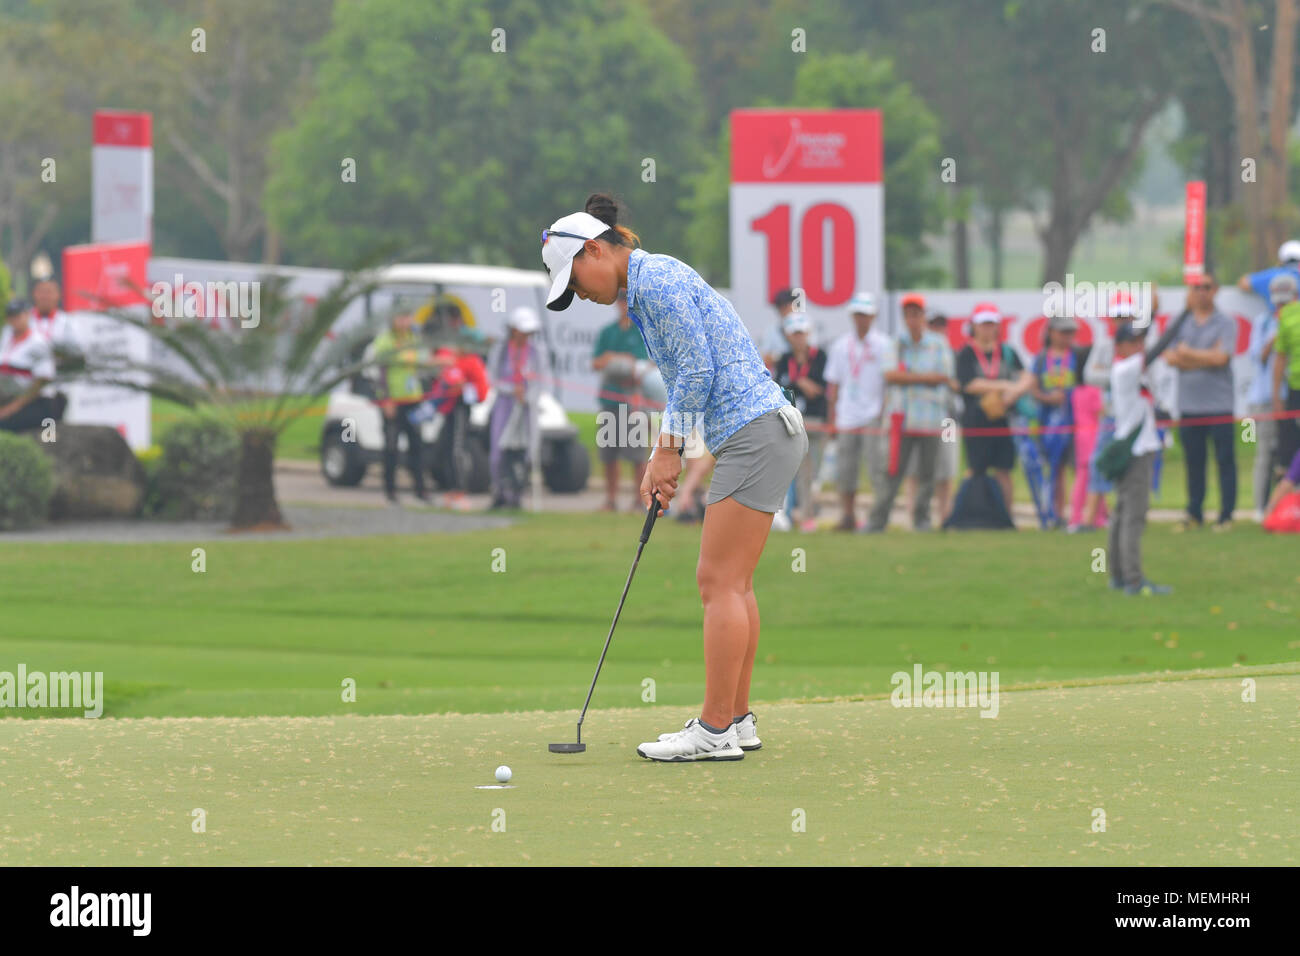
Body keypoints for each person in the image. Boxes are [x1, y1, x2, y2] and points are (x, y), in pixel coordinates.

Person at [543, 192, 806, 762]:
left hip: (754, 433)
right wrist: (669, 450)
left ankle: (712, 731)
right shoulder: (650, 281)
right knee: (734, 583)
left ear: (595, 249)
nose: (581, 293)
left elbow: (696, 371)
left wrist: (667, 452)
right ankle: (735, 720)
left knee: (716, 581)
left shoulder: (655, 284)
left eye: (576, 279)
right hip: (764, 430)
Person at [867, 292, 953, 532]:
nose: (913, 319)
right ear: (904, 317)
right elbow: (890, 375)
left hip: (931, 420)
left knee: (927, 474)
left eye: (916, 314)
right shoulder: (895, 343)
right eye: (908, 314)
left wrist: (908, 377)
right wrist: (926, 378)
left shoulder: (938, 343)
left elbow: (944, 376)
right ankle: (877, 521)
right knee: (892, 473)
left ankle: (922, 520)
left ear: (923, 316)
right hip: (901, 420)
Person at [1109, 322, 1179, 596]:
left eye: (1141, 341)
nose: (1140, 346)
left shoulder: (1127, 370)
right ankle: (1134, 580)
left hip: (1132, 447)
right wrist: (1184, 314)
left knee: (1121, 514)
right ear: (1120, 346)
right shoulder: (1126, 369)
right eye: (1133, 341)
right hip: (1136, 451)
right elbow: (1159, 349)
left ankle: (1117, 575)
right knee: (1133, 518)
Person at [1164, 273, 1237, 531]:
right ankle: (1194, 512)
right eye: (1197, 287)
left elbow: (1222, 358)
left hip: (1219, 403)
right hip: (1189, 404)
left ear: (1215, 290)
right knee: (1194, 462)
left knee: (1225, 460)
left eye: (1206, 287)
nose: (1201, 292)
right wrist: (1203, 357)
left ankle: (1226, 514)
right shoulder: (1179, 322)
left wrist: (1188, 354)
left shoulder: (1225, 322)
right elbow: (1170, 358)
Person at [823, 292, 893, 532]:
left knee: (877, 470)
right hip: (846, 416)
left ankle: (877, 518)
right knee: (846, 470)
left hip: (873, 416)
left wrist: (883, 413)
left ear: (873, 316)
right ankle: (848, 516)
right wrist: (833, 418)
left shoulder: (884, 344)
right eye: (858, 315)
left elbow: (889, 383)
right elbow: (833, 385)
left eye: (865, 315)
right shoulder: (841, 345)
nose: (861, 319)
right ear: (853, 316)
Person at [955, 303, 1034, 510]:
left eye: (991, 324)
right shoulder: (966, 353)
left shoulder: (1007, 352)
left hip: (1002, 419)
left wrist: (1014, 392)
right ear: (974, 326)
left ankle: (1006, 516)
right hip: (976, 419)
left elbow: (1027, 377)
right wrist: (1004, 385)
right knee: (975, 468)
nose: (987, 328)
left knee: (1003, 469)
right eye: (983, 324)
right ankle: (970, 512)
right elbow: (969, 384)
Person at [364, 310, 433, 506]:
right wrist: (385, 399)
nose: (404, 321)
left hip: (413, 399)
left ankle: (420, 489)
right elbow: (376, 371)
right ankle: (390, 491)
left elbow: (424, 363)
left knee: (417, 445)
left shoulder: (414, 339)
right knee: (392, 446)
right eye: (401, 316)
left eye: (407, 317)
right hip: (393, 401)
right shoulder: (384, 341)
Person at [592, 288, 651, 511]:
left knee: (637, 455)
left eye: (627, 301)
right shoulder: (607, 332)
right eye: (621, 300)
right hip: (610, 400)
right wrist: (617, 360)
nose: (624, 305)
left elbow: (644, 365)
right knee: (609, 454)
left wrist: (615, 360)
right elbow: (596, 363)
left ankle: (639, 499)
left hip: (634, 402)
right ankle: (611, 499)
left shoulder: (641, 332)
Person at [1029, 314, 1087, 526]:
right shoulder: (1042, 358)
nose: (1067, 337)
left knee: (1081, 467)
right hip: (1048, 422)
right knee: (1055, 468)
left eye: (1071, 332)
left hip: (1076, 420)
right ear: (1051, 333)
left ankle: (1085, 513)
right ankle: (1057, 514)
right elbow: (1033, 388)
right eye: (1063, 332)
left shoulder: (1079, 355)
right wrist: (1047, 398)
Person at [773, 312, 828, 531]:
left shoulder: (820, 356)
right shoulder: (785, 359)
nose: (799, 337)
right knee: (798, 470)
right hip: (793, 420)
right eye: (795, 333)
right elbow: (780, 389)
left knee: (815, 473)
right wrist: (802, 383)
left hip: (816, 420)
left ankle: (808, 513)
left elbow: (819, 390)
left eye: (802, 333)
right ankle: (799, 516)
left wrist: (800, 383)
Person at [1246, 273, 1293, 519]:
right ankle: (1260, 507)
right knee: (1264, 452)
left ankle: (1284, 507)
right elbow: (1258, 358)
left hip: (1290, 398)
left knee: (1287, 454)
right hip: (1263, 399)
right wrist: (1276, 336)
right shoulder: (1263, 322)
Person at [487, 306, 544, 509]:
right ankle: (499, 491)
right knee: (499, 450)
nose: (527, 336)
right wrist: (511, 390)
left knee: (526, 450)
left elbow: (541, 381)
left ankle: (517, 493)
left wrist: (527, 396)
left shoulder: (536, 352)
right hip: (505, 404)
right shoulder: (501, 350)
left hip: (527, 406)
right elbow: (492, 377)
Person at [0, 299, 60, 431]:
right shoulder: (6, 337)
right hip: (9, 398)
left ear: (27, 315)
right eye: (11, 316)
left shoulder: (38, 342)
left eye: (18, 315)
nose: (14, 320)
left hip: (36, 402)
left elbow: (42, 381)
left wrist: (10, 409)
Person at [1271, 270, 1300, 488]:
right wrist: (1276, 398)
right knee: (1263, 446)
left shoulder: (1287, 316)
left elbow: (1280, 359)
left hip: (1290, 391)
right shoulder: (1273, 320)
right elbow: (1277, 359)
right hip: (1285, 394)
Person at [762, 288, 796, 372]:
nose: (785, 309)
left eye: (788, 305)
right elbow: (765, 358)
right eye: (782, 306)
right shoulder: (772, 330)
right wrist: (782, 357)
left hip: (802, 374)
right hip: (781, 374)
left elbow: (811, 353)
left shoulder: (806, 325)